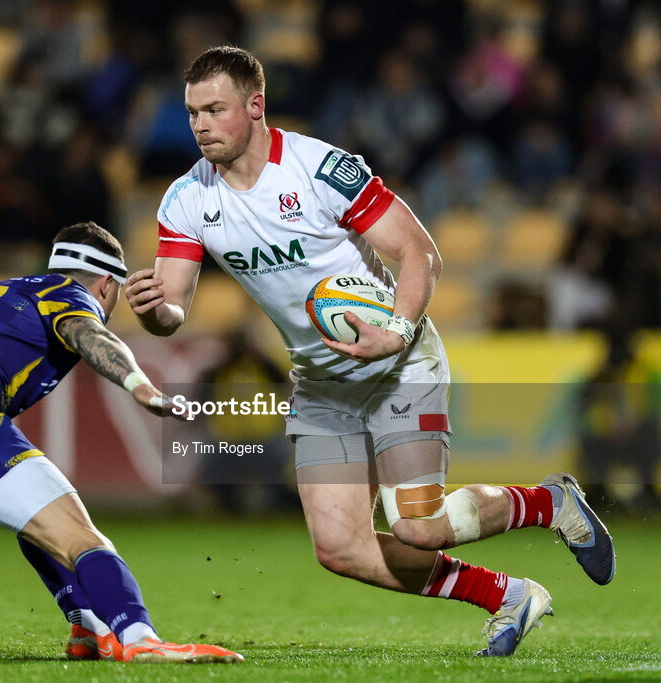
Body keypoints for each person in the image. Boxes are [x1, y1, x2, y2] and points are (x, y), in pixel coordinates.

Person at [125, 47, 615, 657]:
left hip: (398, 362)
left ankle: (550, 502)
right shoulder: (185, 198)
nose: (199, 124)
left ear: (255, 106)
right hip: (321, 381)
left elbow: (419, 253)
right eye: (193, 111)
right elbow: (173, 306)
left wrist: (399, 332)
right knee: (340, 548)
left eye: (214, 109)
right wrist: (155, 310)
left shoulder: (320, 169)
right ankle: (510, 596)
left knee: (420, 528)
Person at [0, 221, 243, 664]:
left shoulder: (4, 293)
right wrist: (139, 385)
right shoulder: (67, 294)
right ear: (106, 284)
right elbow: (89, 334)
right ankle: (140, 639)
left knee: (39, 517)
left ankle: (86, 624)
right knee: (81, 537)